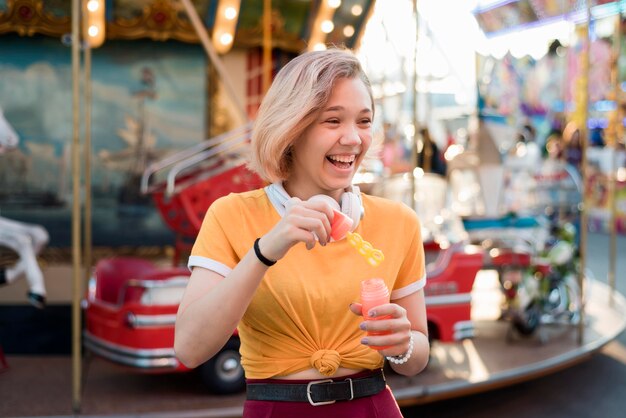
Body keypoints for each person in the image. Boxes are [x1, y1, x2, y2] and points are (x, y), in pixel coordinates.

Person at [174, 48, 429, 417]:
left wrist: (403, 345)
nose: (353, 139)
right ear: (292, 128)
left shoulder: (398, 222)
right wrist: (266, 250)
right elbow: (189, 347)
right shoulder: (232, 216)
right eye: (333, 120)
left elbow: (416, 358)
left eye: (363, 121)